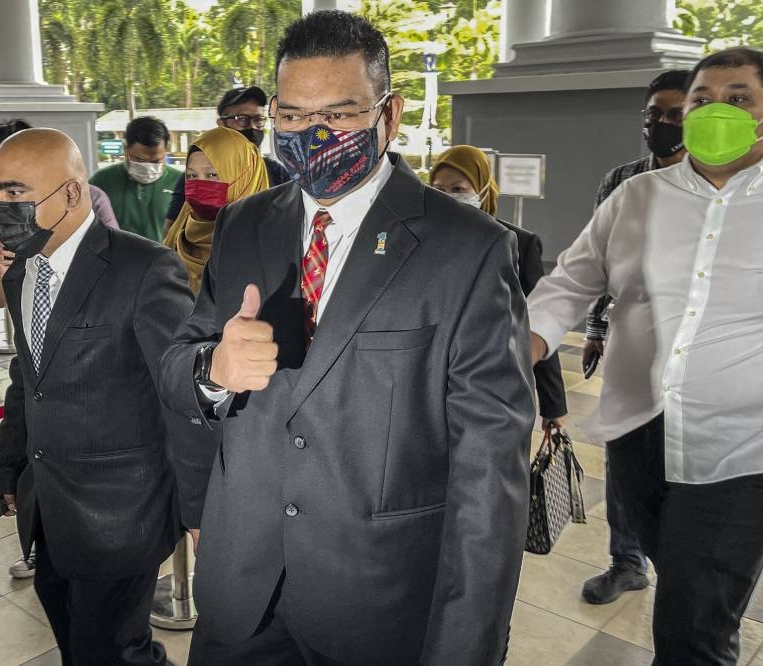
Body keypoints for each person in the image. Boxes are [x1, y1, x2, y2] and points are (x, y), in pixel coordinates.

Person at [161, 11, 534, 665]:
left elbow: (489, 475)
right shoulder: (245, 224)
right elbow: (178, 367)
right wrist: (212, 369)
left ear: (389, 116)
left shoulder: (468, 249)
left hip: (377, 601)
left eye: (338, 114)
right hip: (241, 590)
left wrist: (467, 647)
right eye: (293, 115)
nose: (314, 134)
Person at [527, 48, 763, 664]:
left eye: (738, 98)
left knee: (692, 626)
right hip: (639, 435)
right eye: (702, 99)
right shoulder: (636, 197)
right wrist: (520, 349)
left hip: (753, 448)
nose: (716, 110)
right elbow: (570, 284)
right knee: (689, 583)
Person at [0, 128, 194, 665]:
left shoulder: (144, 268)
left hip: (122, 513)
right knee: (76, 637)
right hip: (50, 506)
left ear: (73, 193)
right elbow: (28, 376)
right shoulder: (22, 266)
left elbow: (182, 395)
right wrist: (9, 469)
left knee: (111, 650)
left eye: (15, 192)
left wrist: (199, 509)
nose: (1, 207)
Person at [577, 69, 690, 606]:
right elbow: (599, 262)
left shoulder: (718, 186)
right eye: (652, 114)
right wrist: (595, 330)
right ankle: (627, 562)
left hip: (694, 354)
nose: (660, 124)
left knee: (680, 461)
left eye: (673, 114)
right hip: (630, 343)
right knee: (624, 453)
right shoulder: (621, 181)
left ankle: (683, 568)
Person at [429, 145, 567, 431]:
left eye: (458, 189)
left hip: (493, 383)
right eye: (438, 189)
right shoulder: (422, 241)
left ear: (480, 190)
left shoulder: (517, 243)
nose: (447, 197)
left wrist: (553, 405)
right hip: (432, 380)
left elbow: (535, 321)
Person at [0, 120, 119, 311]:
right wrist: (3, 274)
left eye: (14, 188)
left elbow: (115, 272)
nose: (4, 202)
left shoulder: (91, 199)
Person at [164, 126, 270, 292]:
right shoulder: (177, 238)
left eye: (212, 175)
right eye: (191, 175)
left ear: (244, 177)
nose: (200, 184)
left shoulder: (269, 248)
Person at [89, 116, 183, 242]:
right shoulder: (101, 182)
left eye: (156, 161)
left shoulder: (180, 182)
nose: (148, 167)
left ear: (166, 151)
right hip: (118, 254)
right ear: (126, 150)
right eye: (140, 160)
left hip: (167, 254)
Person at [216, 86, 291, 187]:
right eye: (242, 119)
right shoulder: (204, 171)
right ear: (222, 125)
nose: (252, 127)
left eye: (258, 120)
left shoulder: (276, 173)